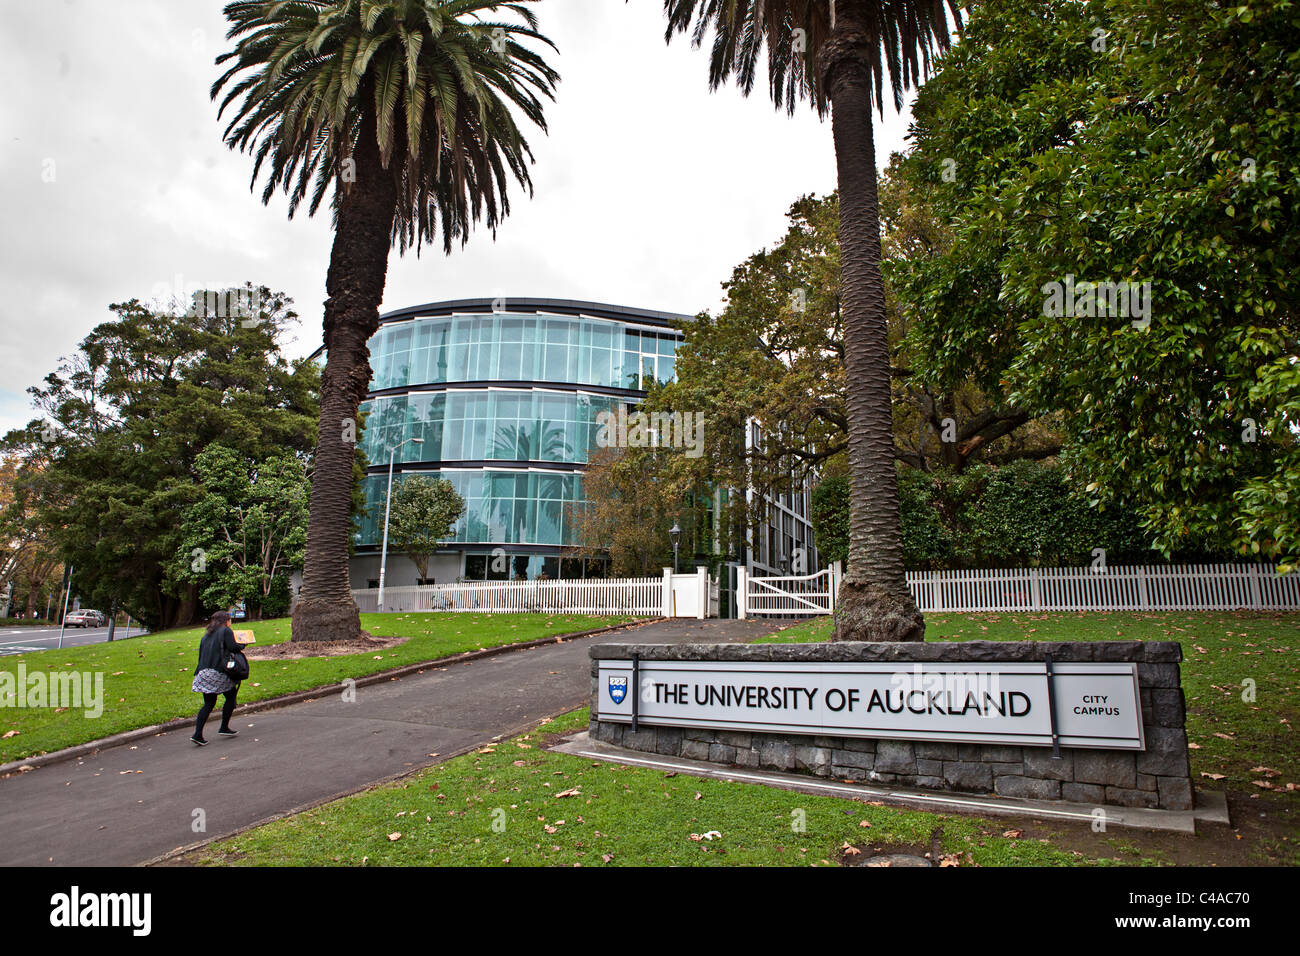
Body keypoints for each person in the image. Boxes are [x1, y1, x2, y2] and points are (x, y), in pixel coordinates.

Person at [191, 611, 242, 746]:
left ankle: (197, 734)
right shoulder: (225, 631)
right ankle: (224, 727)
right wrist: (243, 645)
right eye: (229, 620)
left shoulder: (206, 635)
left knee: (208, 703)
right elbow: (233, 648)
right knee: (231, 696)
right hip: (218, 672)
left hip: (203, 673)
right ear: (226, 620)